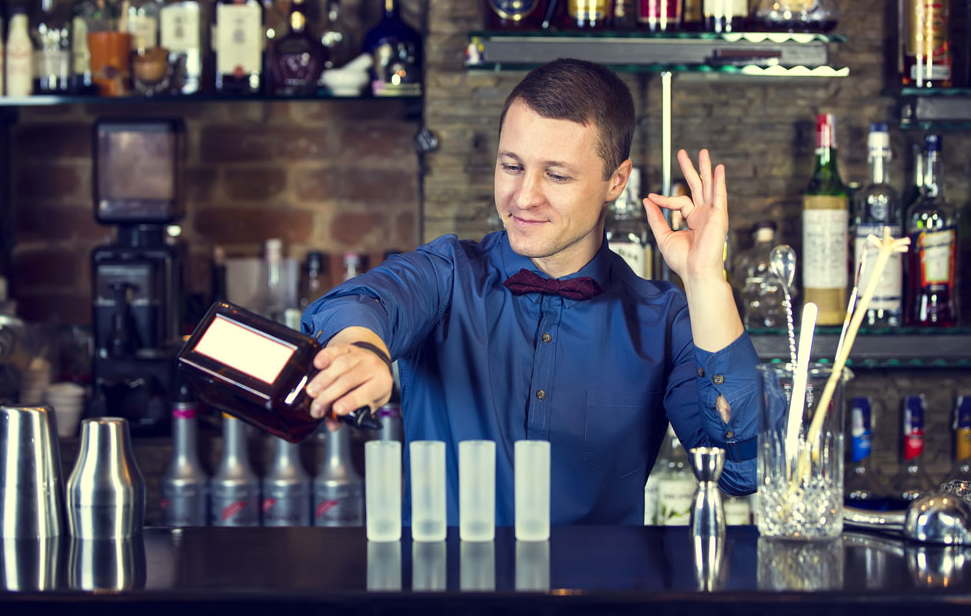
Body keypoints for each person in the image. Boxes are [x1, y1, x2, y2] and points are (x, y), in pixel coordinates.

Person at [300, 58, 759, 525]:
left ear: (615, 181)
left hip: (600, 575)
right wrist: (361, 348)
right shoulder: (448, 275)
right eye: (511, 166)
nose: (523, 196)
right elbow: (361, 302)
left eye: (556, 175)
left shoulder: (662, 320)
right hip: (447, 574)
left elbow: (740, 471)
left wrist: (706, 281)